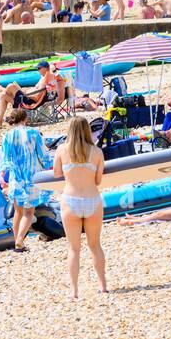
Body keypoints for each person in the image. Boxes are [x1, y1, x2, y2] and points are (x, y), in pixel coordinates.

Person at [51, 116, 108, 299]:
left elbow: (56, 173)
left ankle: (74, 291)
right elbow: (98, 180)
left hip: (70, 200)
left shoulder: (62, 150)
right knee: (95, 245)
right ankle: (102, 286)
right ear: (87, 130)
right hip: (92, 199)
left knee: (74, 248)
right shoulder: (97, 152)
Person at [0, 109, 51, 253]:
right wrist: (50, 166)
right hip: (32, 176)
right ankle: (20, 240)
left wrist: (1, 175)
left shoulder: (7, 136)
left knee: (18, 212)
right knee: (29, 212)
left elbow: (5, 158)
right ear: (25, 118)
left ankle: (18, 244)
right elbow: (43, 154)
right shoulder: (34, 133)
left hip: (16, 177)